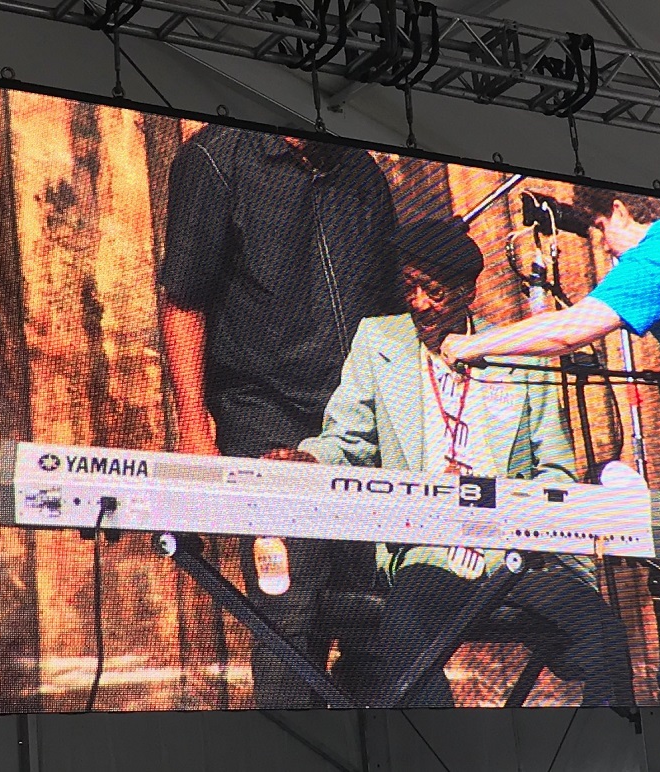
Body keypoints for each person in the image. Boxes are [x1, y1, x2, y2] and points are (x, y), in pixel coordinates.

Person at [269, 217, 633, 707]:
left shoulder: (521, 354)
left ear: (467, 292)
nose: (418, 303)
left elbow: (556, 470)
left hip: (514, 555)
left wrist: (529, 526)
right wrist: (308, 458)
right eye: (410, 287)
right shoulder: (379, 343)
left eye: (434, 292)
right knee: (407, 665)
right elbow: (347, 442)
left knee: (605, 640)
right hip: (428, 551)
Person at [159, 124, 400, 707]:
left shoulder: (361, 171)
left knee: (380, 619)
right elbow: (182, 300)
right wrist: (195, 428)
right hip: (263, 413)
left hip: (359, 422)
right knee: (291, 620)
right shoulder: (217, 160)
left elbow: (393, 308)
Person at [440, 188, 660, 438]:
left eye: (600, 227)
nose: (604, 246)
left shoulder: (648, 264)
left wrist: (470, 345)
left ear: (619, 212)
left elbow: (567, 333)